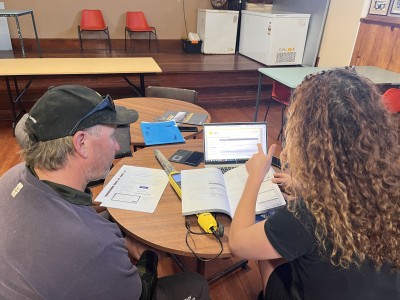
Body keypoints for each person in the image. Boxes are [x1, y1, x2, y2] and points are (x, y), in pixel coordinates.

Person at [0, 85, 210, 299]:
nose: (117, 146)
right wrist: (149, 255)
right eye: (112, 135)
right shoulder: (91, 243)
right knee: (195, 284)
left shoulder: (11, 177)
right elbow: (139, 293)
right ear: (81, 143)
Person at [229, 68, 400, 299]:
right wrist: (308, 187)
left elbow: (238, 244)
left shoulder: (308, 215)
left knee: (268, 252)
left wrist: (255, 177)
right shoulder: (389, 184)